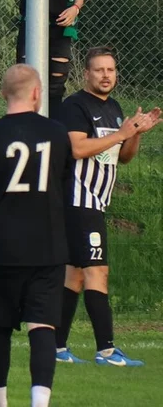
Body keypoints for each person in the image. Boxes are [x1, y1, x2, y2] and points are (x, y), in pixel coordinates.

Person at [0, 64, 74, 407]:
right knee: (43, 326)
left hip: (1, 247)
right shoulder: (57, 133)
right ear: (37, 93)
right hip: (48, 246)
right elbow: (64, 181)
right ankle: (39, 404)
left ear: (2, 94)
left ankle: (0, 404)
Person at [53, 47, 159, 367]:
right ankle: (108, 352)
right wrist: (120, 134)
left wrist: (135, 134)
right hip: (78, 200)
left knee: (74, 276)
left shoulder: (113, 107)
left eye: (110, 70)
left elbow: (123, 156)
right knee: (98, 272)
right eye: (99, 70)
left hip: (95, 202)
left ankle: (56, 348)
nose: (106, 75)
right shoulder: (74, 106)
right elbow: (77, 147)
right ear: (86, 73)